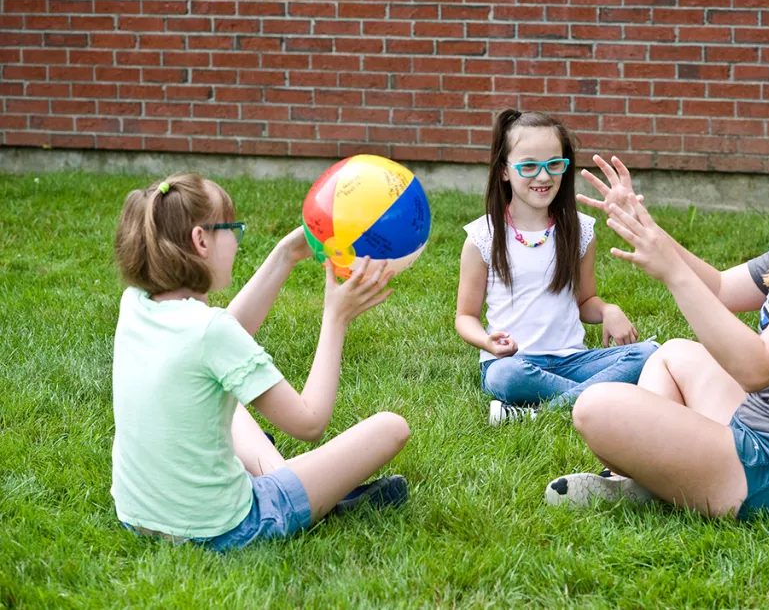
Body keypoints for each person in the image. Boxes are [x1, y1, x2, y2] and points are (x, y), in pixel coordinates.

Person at [546, 97, 769, 521]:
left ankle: (652, 480)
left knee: (596, 407)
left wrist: (673, 275)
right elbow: (720, 287)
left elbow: (758, 369)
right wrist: (647, 228)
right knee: (672, 356)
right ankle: (648, 480)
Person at [111, 174, 411, 551]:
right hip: (225, 529)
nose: (236, 242)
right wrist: (336, 318)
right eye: (232, 230)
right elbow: (310, 422)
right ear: (201, 241)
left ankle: (300, 483)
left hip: (140, 517)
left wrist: (287, 253)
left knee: (221, 398)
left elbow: (220, 339)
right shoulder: (210, 332)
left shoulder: (136, 303)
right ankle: (306, 491)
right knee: (391, 427)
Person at [455, 110, 659, 426]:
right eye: (529, 166)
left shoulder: (580, 230)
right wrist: (486, 342)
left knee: (651, 354)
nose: (543, 176)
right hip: (514, 362)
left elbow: (584, 302)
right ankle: (600, 401)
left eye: (554, 164)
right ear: (504, 171)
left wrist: (608, 310)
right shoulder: (483, 237)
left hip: (572, 360)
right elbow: (465, 316)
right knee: (505, 378)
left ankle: (538, 414)